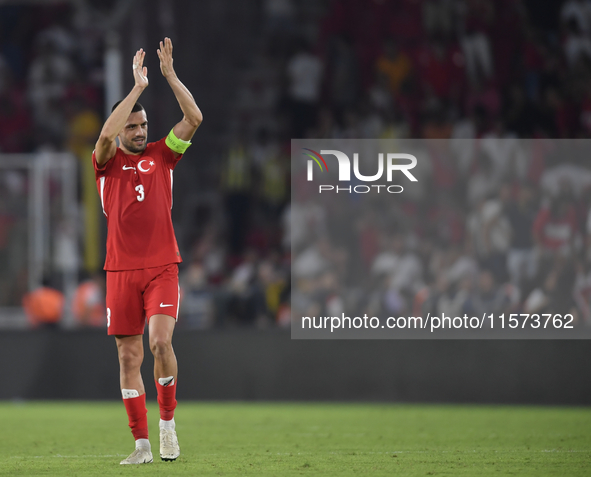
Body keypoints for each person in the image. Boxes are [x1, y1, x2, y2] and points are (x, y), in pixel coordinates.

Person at [93, 38, 202, 465]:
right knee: (128, 355)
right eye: (133, 127)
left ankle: (168, 427)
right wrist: (136, 89)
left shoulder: (163, 156)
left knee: (159, 342)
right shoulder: (105, 161)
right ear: (122, 130)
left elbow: (193, 117)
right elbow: (104, 134)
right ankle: (141, 446)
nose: (140, 132)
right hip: (120, 270)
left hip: (161, 267)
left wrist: (169, 76)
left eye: (143, 126)